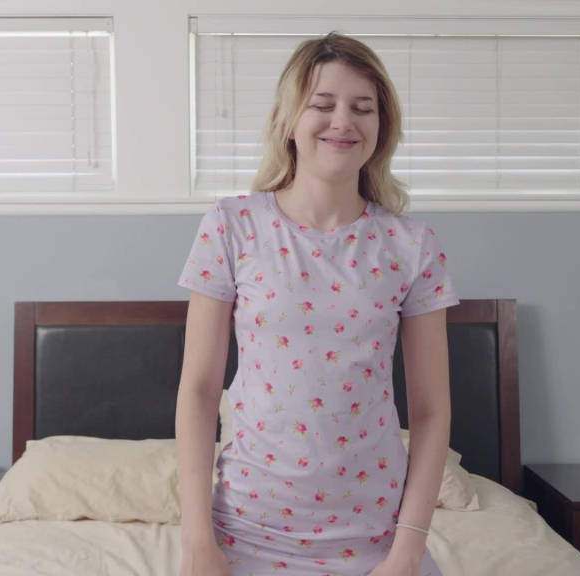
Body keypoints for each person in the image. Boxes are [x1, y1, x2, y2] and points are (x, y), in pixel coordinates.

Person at [175, 32, 460, 576]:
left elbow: (431, 411)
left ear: (382, 125)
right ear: (289, 120)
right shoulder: (232, 226)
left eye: (363, 108)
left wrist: (406, 552)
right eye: (322, 105)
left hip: (378, 543)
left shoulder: (412, 245)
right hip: (243, 534)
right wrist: (196, 541)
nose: (342, 122)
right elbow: (199, 391)